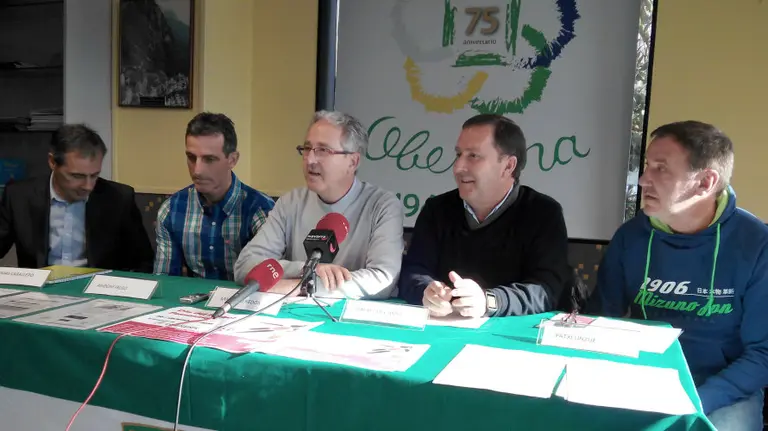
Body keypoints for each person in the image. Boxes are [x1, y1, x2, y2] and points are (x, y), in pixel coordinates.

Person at [587, 120, 768, 430]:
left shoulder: (756, 244)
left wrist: (696, 399)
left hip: (722, 389)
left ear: (705, 183)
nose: (643, 180)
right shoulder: (630, 238)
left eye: (661, 169)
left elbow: (762, 354)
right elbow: (601, 319)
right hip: (641, 377)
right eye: (646, 166)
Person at [398, 114, 571, 317]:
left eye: (473, 156)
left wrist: (490, 301)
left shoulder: (543, 213)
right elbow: (413, 271)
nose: (458, 167)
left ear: (508, 166)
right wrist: (426, 291)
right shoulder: (437, 209)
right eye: (458, 154)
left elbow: (547, 289)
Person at [234, 110, 404, 298]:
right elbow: (245, 265)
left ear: (353, 162)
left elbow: (382, 279)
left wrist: (303, 287)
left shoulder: (382, 206)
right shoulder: (290, 202)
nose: (310, 160)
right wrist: (304, 270)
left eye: (323, 150)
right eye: (307, 149)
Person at [0, 124, 154, 271]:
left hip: (97, 291)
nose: (88, 186)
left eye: (94, 175)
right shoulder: (19, 196)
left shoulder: (119, 198)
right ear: (52, 162)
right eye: (77, 176)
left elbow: (143, 262)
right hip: (38, 291)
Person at [154, 112, 275, 280]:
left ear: (232, 160)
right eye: (191, 157)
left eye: (209, 159)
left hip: (244, 302)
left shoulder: (260, 211)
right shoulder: (172, 210)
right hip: (189, 303)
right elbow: (164, 282)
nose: (197, 170)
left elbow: (268, 282)